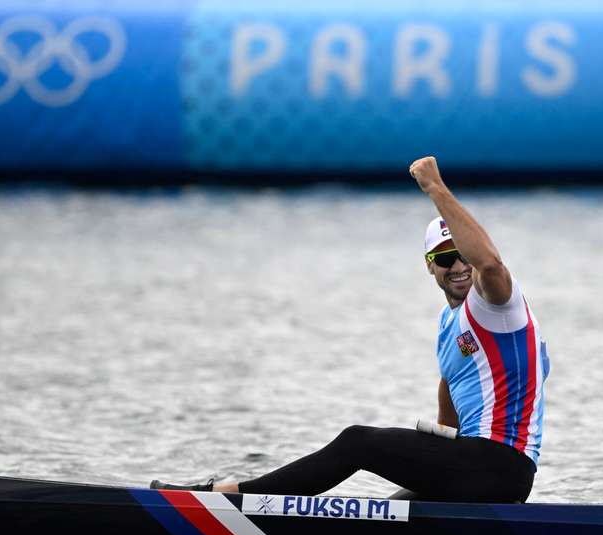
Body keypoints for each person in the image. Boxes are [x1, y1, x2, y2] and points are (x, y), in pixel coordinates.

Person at [152, 156, 549, 503]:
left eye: (463, 255)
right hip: (474, 466)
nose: (458, 265)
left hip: (501, 464)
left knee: (357, 441)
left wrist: (435, 188)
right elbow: (449, 422)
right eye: (445, 258)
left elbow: (492, 265)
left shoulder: (497, 307)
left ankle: (227, 496)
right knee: (397, 514)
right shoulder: (449, 326)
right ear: (430, 265)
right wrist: (421, 459)